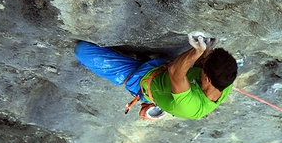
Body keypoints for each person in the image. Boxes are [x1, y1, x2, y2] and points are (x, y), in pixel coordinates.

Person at [74, 33, 237, 121]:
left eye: (205, 61)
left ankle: (151, 103)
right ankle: (164, 103)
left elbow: (174, 71)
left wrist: (198, 51)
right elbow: (203, 66)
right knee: (181, 80)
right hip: (167, 74)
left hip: (142, 80)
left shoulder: (193, 106)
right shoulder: (225, 80)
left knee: (82, 51)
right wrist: (208, 49)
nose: (204, 57)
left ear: (207, 78)